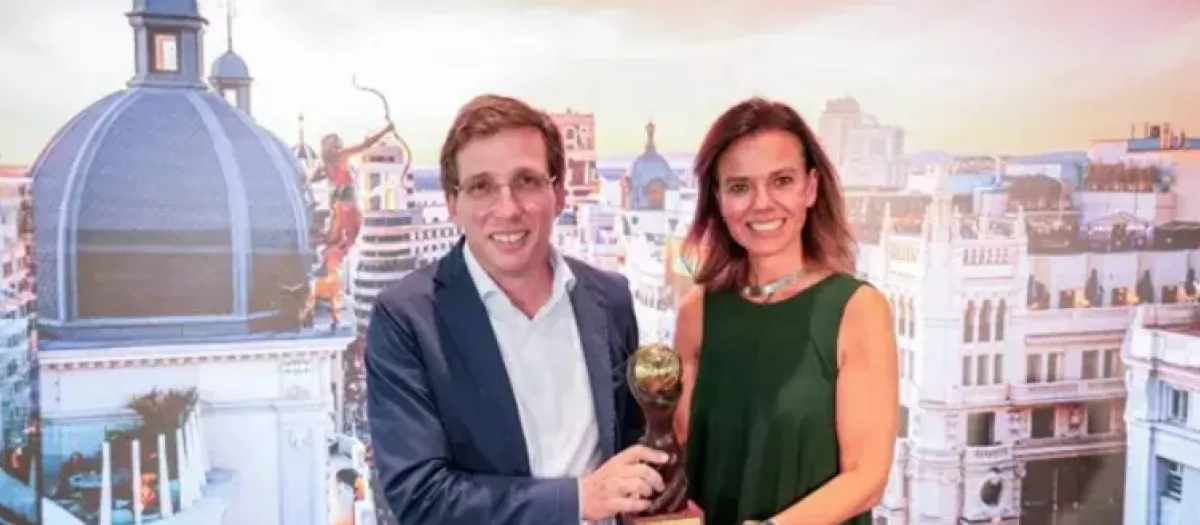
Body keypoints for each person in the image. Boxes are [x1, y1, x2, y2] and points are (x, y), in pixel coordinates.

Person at [365, 94, 669, 525]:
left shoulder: (610, 298)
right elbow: (422, 497)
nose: (507, 209)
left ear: (558, 194)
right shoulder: (407, 319)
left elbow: (629, 440)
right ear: (453, 204)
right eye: (481, 187)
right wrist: (578, 500)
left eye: (526, 181)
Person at [672, 97, 899, 525]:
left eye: (782, 181)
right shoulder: (697, 313)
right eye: (740, 187)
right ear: (718, 198)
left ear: (810, 188)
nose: (762, 203)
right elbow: (681, 456)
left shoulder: (856, 310)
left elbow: (867, 478)